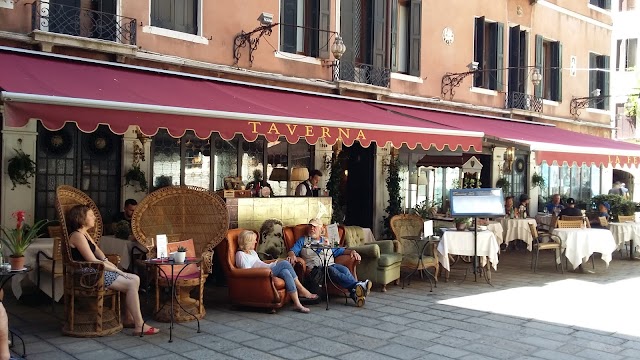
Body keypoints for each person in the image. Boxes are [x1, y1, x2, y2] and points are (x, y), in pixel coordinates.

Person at [67, 204, 159, 336]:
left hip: (96, 270)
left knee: (134, 278)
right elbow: (92, 260)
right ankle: (139, 324)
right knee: (132, 281)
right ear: (81, 218)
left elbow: (97, 251)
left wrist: (106, 261)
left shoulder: (84, 234)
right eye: (91, 215)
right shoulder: (77, 236)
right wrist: (117, 270)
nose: (94, 217)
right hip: (88, 274)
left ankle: (129, 318)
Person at [286, 218, 371, 307]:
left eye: (315, 227)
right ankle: (358, 285)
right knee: (331, 270)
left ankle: (355, 294)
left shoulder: (327, 241)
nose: (312, 228)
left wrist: (352, 252)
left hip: (331, 265)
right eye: (310, 226)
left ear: (321, 229)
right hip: (316, 270)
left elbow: (339, 250)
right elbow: (292, 251)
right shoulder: (303, 240)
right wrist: (292, 255)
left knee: (344, 269)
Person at [235, 230, 318, 313]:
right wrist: (268, 268)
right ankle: (301, 289)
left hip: (267, 269)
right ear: (248, 242)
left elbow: (260, 263)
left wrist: (274, 263)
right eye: (254, 240)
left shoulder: (252, 252)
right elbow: (248, 273)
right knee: (285, 263)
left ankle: (297, 303)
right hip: (263, 274)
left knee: (285, 272)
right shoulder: (240, 255)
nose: (256, 242)